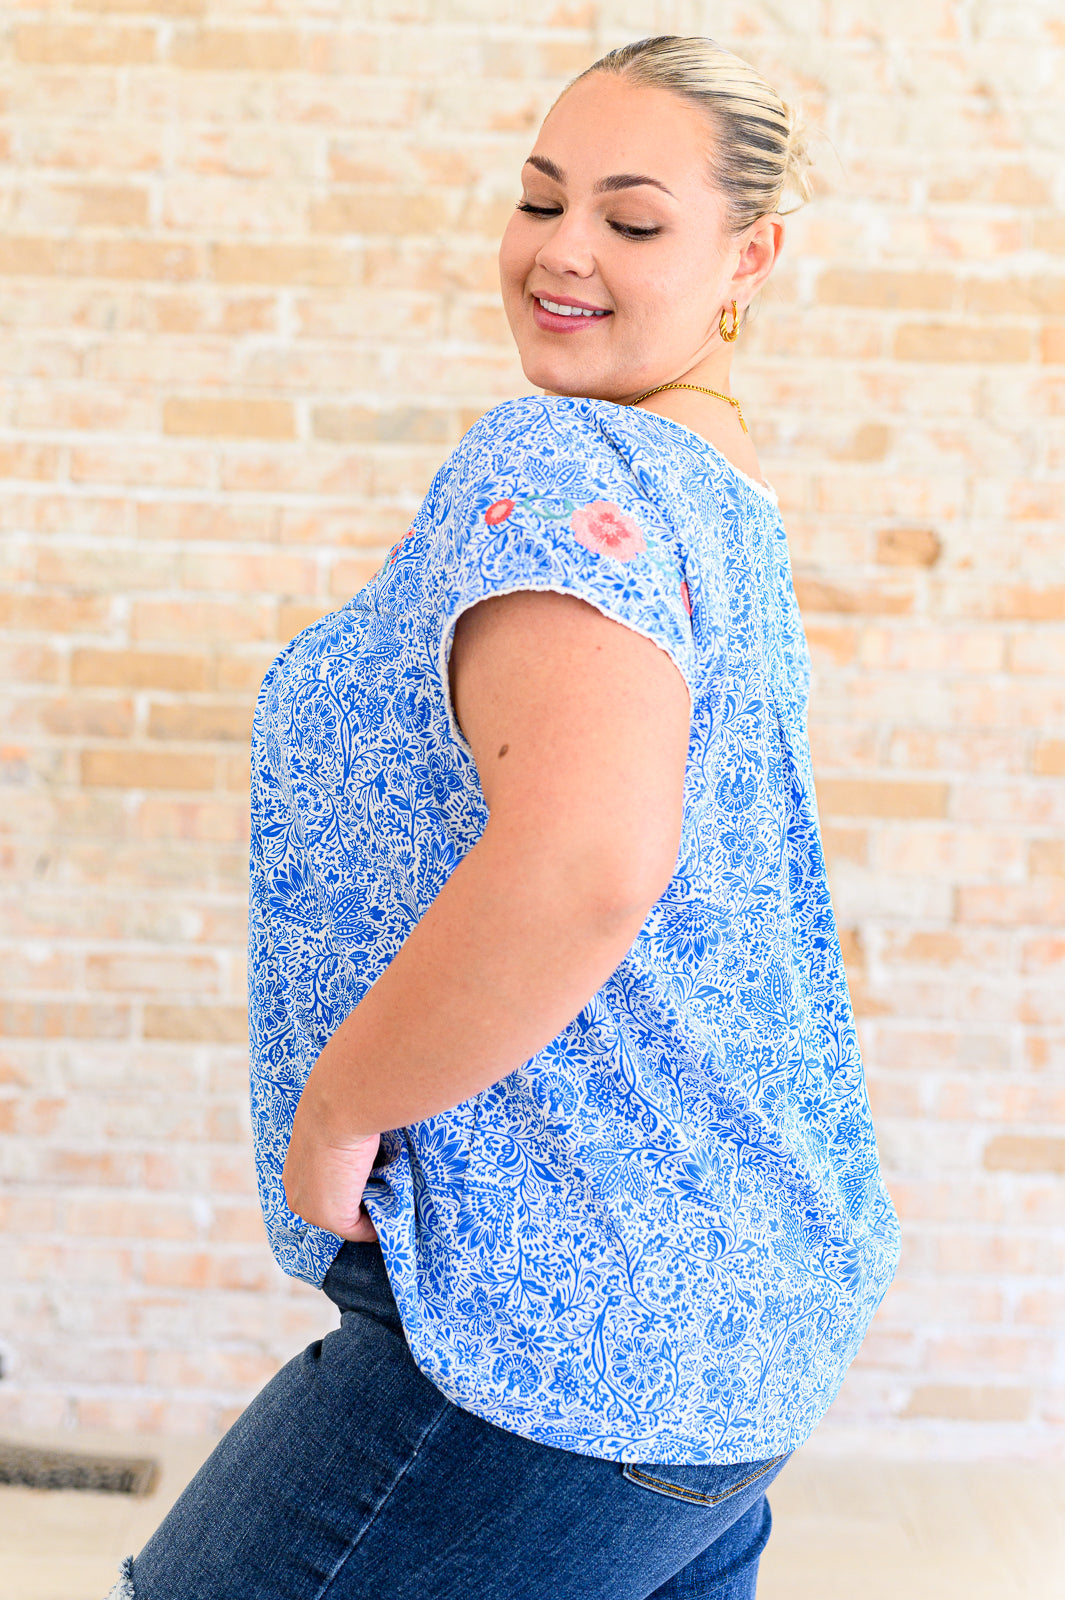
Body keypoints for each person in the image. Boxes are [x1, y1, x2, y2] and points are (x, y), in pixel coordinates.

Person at [109, 33, 901, 1600]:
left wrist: (338, 1105)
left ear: (751, 255)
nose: (559, 251)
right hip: (731, 1308)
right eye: (539, 199)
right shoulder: (715, 497)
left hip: (557, 1317)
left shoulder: (562, 462)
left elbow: (589, 860)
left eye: (630, 218)